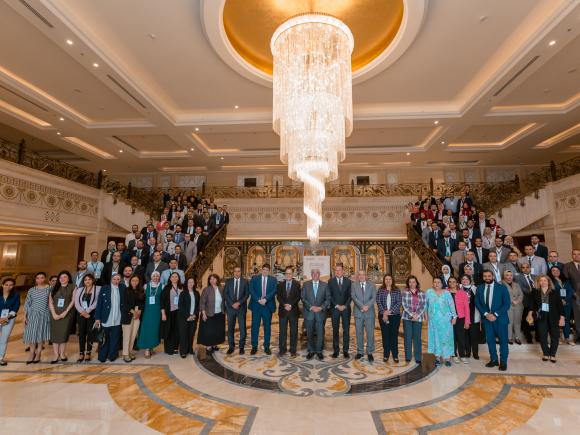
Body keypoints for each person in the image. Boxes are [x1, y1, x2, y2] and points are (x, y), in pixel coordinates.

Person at [476, 270, 511, 371]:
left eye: (489, 276)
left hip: (500, 319)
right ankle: (494, 360)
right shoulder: (480, 288)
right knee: (490, 341)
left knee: (503, 341)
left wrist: (495, 314)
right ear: (483, 277)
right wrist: (486, 314)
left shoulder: (502, 288)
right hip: (487, 319)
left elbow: (506, 304)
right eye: (485, 276)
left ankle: (503, 362)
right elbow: (477, 302)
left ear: (493, 277)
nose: (487, 278)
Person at [526, 275, 564, 363]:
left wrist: (562, 317)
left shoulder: (555, 292)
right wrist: (530, 313)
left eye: (545, 280)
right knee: (543, 336)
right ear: (538, 282)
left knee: (554, 336)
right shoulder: (535, 292)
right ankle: (546, 353)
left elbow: (560, 306)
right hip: (541, 316)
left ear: (548, 281)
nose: (543, 282)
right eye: (541, 280)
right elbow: (531, 304)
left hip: (554, 316)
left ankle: (553, 354)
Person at [425, 277, 457, 367]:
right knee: (436, 338)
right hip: (433, 320)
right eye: (435, 282)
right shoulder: (429, 292)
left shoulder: (447, 293)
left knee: (447, 338)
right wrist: (426, 316)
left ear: (442, 284)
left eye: (438, 282)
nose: (436, 284)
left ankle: (447, 358)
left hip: (446, 320)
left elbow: (452, 305)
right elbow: (425, 305)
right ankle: (437, 357)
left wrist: (454, 317)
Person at [95, 274, 125, 363]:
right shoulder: (105, 288)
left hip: (118, 318)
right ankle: (102, 356)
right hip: (106, 318)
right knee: (104, 338)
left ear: (120, 280)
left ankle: (112, 355)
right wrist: (97, 317)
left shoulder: (122, 288)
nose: (116, 281)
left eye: (118, 279)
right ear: (111, 279)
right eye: (114, 279)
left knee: (115, 339)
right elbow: (99, 304)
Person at [301, 268, 330, 360]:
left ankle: (319, 351)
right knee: (309, 333)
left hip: (320, 313)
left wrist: (321, 307)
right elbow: (303, 298)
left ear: (319, 274)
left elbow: (328, 299)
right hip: (309, 312)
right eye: (313, 273)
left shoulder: (325, 285)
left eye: (317, 273)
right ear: (311, 274)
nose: (315, 275)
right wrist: (311, 307)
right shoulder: (306, 285)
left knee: (320, 333)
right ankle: (311, 350)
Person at [249, 264, 277, 355]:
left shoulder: (273, 280)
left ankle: (266, 346)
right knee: (255, 327)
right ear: (261, 270)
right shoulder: (254, 279)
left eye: (267, 270)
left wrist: (265, 299)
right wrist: (258, 299)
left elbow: (274, 291)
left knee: (267, 327)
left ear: (269, 271)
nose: (265, 271)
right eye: (264, 269)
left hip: (267, 306)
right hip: (256, 306)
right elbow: (251, 290)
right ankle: (254, 346)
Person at [23, 272, 51, 364]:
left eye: (42, 277)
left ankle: (38, 353)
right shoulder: (32, 290)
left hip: (44, 314)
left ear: (45, 278)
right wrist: (25, 316)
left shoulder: (49, 288)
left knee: (40, 334)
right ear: (35, 279)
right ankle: (31, 353)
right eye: (38, 278)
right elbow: (27, 303)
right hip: (32, 315)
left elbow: (51, 303)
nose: (40, 280)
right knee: (32, 334)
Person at [48, 271, 76, 364]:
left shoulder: (73, 286)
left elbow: (73, 301)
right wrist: (54, 314)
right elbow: (50, 302)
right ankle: (56, 355)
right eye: (61, 277)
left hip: (66, 314)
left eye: (65, 277)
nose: (63, 279)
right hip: (54, 314)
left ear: (68, 278)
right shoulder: (53, 288)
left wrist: (65, 312)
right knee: (55, 335)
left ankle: (62, 354)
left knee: (63, 334)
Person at [352, 269, 377, 362]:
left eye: (363, 275)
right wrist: (362, 306)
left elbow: (374, 297)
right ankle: (360, 351)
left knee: (370, 333)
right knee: (359, 333)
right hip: (358, 312)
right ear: (358, 276)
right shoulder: (354, 285)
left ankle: (369, 352)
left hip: (369, 312)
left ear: (366, 276)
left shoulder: (372, 285)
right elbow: (353, 296)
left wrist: (367, 306)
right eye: (360, 275)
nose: (361, 276)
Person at [73, 274, 99, 363]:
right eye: (85, 280)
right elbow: (76, 302)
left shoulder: (98, 289)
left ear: (93, 280)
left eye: (89, 279)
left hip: (92, 314)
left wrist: (88, 311)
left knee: (90, 333)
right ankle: (81, 353)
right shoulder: (79, 290)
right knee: (81, 334)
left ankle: (88, 352)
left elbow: (97, 302)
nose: (87, 281)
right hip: (81, 315)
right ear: (83, 281)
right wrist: (83, 312)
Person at [328, 263, 352, 358]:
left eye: (339, 270)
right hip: (335, 309)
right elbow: (329, 296)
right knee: (335, 330)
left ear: (343, 271)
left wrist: (345, 306)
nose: (338, 272)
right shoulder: (331, 281)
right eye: (336, 270)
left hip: (346, 309)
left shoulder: (348, 281)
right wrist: (337, 305)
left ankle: (345, 350)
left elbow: (350, 296)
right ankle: (336, 351)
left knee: (346, 330)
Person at [137, 271, 163, 359]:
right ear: (151, 277)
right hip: (147, 311)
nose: (155, 277)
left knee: (154, 329)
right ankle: (147, 349)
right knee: (147, 328)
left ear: (159, 277)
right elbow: (141, 298)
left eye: (157, 276)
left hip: (157, 311)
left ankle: (151, 346)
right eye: (154, 276)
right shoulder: (145, 286)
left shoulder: (162, 286)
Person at [376, 274, 401, 363]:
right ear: (384, 280)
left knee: (394, 335)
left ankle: (395, 355)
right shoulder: (380, 290)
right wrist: (384, 313)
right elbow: (378, 301)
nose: (388, 281)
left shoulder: (397, 290)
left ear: (392, 280)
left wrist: (389, 312)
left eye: (390, 279)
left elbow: (399, 302)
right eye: (386, 279)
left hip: (395, 316)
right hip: (383, 316)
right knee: (385, 335)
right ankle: (386, 354)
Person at [224, 267, 249, 355]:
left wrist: (238, 303)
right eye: (235, 271)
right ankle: (231, 346)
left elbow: (246, 294)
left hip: (241, 308)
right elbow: (225, 294)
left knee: (242, 328)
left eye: (239, 271)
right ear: (233, 272)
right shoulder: (228, 281)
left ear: (240, 272)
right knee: (230, 328)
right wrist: (232, 304)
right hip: (230, 309)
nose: (237, 273)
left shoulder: (245, 281)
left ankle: (241, 347)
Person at [277, 267, 301, 357]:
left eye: (290, 273)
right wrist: (285, 305)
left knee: (293, 331)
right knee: (282, 332)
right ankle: (282, 349)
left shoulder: (297, 284)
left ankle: (293, 350)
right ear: (284, 274)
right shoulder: (280, 285)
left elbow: (298, 296)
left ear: (293, 274)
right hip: (283, 311)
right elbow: (278, 297)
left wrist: (291, 305)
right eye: (286, 273)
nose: (288, 275)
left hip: (293, 311)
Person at [198, 274, 226, 353]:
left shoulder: (221, 289)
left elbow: (224, 301)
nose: (212, 280)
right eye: (210, 279)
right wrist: (203, 314)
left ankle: (214, 344)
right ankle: (208, 346)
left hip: (219, 313)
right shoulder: (206, 289)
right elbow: (202, 302)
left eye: (214, 279)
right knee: (209, 331)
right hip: (209, 314)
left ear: (217, 280)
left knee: (217, 330)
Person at [402, 275, 425, 364]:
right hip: (407, 317)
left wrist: (417, 315)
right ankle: (408, 356)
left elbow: (423, 305)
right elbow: (404, 304)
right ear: (408, 283)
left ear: (416, 283)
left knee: (417, 338)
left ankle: (418, 356)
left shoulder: (422, 293)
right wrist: (412, 314)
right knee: (407, 337)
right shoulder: (404, 292)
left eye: (413, 282)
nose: (412, 284)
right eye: (410, 282)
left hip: (418, 318)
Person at [122, 275, 145, 362]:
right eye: (133, 281)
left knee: (133, 335)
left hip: (137, 314)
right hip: (128, 313)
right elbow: (125, 303)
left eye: (136, 281)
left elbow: (142, 302)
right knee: (127, 335)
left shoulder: (141, 291)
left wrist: (139, 311)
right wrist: (133, 312)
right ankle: (125, 354)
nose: (134, 282)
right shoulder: (126, 290)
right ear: (130, 281)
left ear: (138, 282)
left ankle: (129, 351)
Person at [447, 276, 470, 363]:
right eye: (450, 282)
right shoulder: (445, 292)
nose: (451, 283)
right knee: (451, 337)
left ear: (457, 283)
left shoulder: (462, 293)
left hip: (461, 318)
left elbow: (467, 308)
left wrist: (467, 321)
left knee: (461, 337)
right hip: (449, 318)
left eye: (453, 282)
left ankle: (462, 355)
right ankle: (454, 354)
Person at [550, 266, 574, 346]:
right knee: (557, 321)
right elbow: (551, 293)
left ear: (560, 271)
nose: (555, 271)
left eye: (557, 270)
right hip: (556, 304)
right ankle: (558, 338)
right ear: (551, 272)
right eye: (553, 270)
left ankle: (567, 338)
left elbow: (570, 291)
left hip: (567, 304)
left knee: (566, 320)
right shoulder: (550, 281)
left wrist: (565, 300)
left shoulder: (566, 280)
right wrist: (560, 300)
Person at [160, 272, 183, 355]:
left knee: (177, 330)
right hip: (169, 312)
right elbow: (162, 301)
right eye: (172, 276)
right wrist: (163, 314)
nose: (174, 278)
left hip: (179, 312)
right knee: (169, 330)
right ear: (170, 278)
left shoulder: (182, 287)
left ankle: (176, 347)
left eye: (176, 276)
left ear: (178, 278)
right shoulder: (166, 288)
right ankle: (169, 349)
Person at [178, 277, 200, 357]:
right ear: (186, 283)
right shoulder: (183, 293)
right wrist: (188, 316)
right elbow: (180, 306)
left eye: (192, 282)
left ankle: (190, 349)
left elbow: (198, 306)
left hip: (194, 317)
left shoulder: (197, 293)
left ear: (194, 283)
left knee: (191, 334)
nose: (191, 283)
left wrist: (194, 315)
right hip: (184, 318)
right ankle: (183, 351)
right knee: (184, 334)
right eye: (189, 282)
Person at [561, 249, 580, 343]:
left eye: (578, 254)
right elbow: (566, 282)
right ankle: (579, 336)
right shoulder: (567, 266)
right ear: (571, 255)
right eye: (574, 254)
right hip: (574, 296)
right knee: (577, 316)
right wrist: (573, 292)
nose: (576, 256)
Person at [0, 278, 20, 366]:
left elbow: (16, 307)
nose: (8, 287)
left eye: (11, 285)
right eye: (6, 284)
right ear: (2, 285)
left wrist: (7, 317)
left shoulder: (16, 295)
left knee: (4, 339)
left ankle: (0, 358)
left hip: (9, 319)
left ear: (13, 286)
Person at [460, 275, 481, 359]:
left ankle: (475, 353)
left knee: (474, 336)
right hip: (463, 316)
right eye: (463, 279)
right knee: (466, 335)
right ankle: (467, 352)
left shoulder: (475, 289)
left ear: (470, 280)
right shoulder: (459, 288)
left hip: (473, 315)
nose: (465, 280)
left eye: (467, 279)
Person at [503, 270, 524, 345]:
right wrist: (512, 301)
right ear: (504, 276)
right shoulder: (500, 284)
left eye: (510, 275)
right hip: (508, 306)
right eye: (507, 275)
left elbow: (521, 295)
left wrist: (517, 301)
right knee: (509, 322)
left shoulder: (517, 284)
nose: (509, 277)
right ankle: (509, 338)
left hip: (518, 306)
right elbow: (502, 295)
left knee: (517, 322)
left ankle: (517, 337)